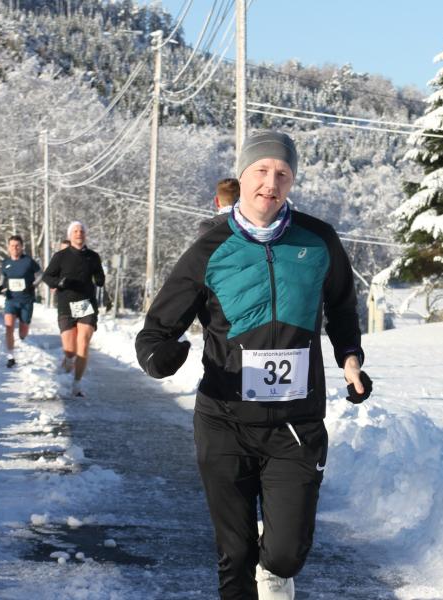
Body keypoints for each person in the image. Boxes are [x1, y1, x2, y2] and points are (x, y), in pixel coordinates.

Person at [136, 130, 372, 600]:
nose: (271, 182)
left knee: (285, 552)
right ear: (241, 177)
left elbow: (343, 309)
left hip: (296, 424)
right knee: (236, 553)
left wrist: (350, 359)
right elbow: (156, 331)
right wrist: (161, 358)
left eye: (282, 173)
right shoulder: (209, 248)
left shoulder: (318, 240)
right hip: (224, 421)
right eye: (261, 171)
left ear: (292, 181)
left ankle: (276, 574)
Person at [43, 221, 105, 397]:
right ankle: (68, 360)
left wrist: (100, 279)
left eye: (82, 231)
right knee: (70, 349)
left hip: (86, 304)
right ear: (70, 235)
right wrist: (59, 282)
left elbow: (99, 275)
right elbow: (47, 276)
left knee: (83, 342)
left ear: (85, 235)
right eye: (75, 231)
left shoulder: (93, 256)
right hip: (66, 305)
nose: (79, 233)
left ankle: (77, 384)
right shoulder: (61, 256)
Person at [0, 234, 41, 368]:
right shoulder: (6, 263)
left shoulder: (28, 261)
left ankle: (22, 336)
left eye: (17, 246)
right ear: (8, 247)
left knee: (23, 331)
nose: (15, 248)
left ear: (22, 247)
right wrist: (0, 286)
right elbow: (2, 276)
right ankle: (11, 356)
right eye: (12, 246)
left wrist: (33, 285)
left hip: (26, 300)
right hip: (11, 300)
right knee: (9, 326)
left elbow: (41, 274)